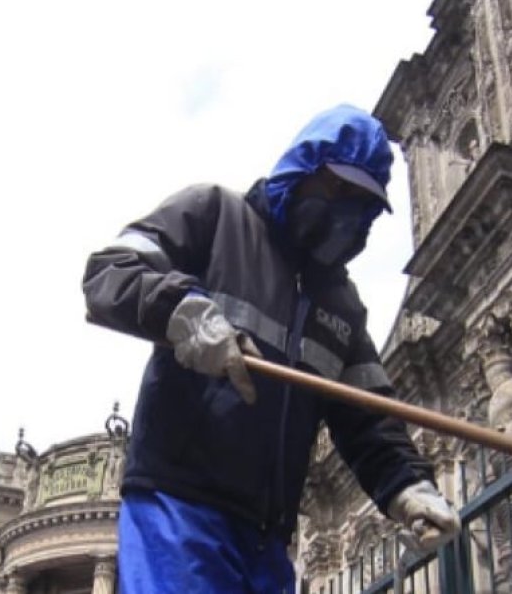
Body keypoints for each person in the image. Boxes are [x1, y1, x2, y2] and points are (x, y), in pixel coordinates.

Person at [82, 104, 460, 593]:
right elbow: (110, 273)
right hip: (180, 508)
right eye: (338, 188)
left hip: (268, 537)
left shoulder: (341, 305)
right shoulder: (214, 216)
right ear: (301, 171)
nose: (347, 213)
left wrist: (410, 487)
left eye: (362, 202)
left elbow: (369, 418)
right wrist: (182, 313)